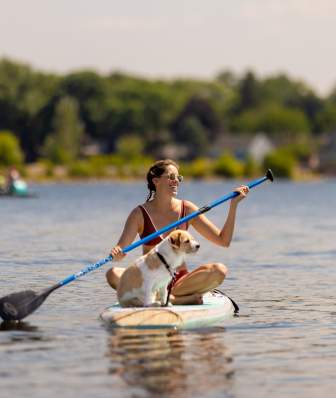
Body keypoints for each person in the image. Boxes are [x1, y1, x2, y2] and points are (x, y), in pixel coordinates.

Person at [106, 159, 249, 305]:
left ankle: (171, 297)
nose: (176, 181)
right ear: (156, 181)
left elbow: (223, 241)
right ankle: (173, 300)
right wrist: (117, 253)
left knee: (219, 270)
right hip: (150, 281)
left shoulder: (187, 209)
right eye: (171, 177)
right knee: (113, 274)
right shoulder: (139, 214)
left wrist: (233, 206)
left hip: (179, 282)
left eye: (178, 178)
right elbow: (120, 253)